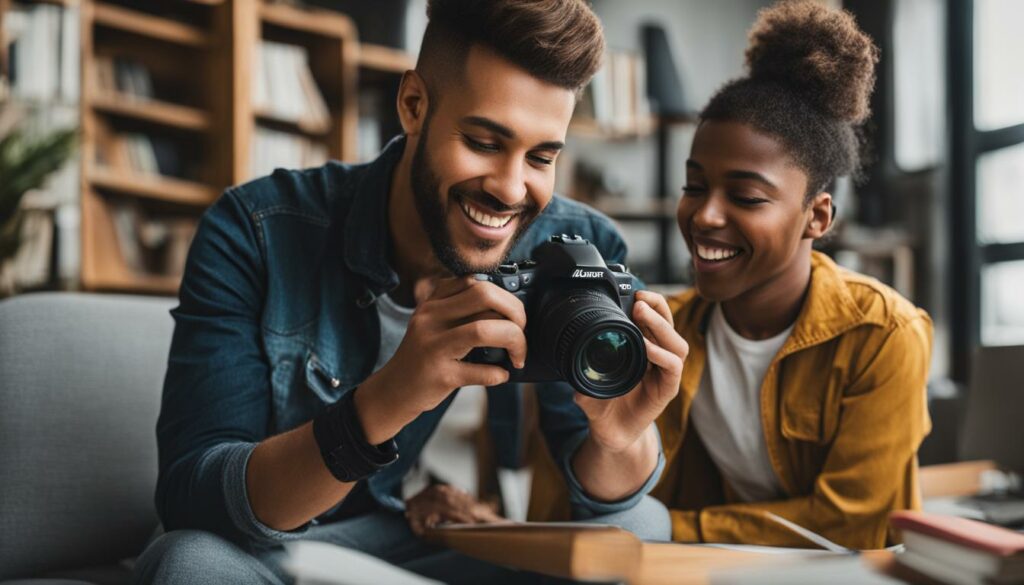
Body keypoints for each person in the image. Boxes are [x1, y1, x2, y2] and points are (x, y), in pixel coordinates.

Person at [133, 1, 687, 583]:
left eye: (541, 156)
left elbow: (600, 501)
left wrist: (621, 440)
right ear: (413, 105)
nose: (509, 188)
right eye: (483, 142)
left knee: (639, 534)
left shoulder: (583, 246)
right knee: (192, 563)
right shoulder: (256, 231)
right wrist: (392, 395)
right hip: (280, 548)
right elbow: (193, 498)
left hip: (433, 541)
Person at [647, 0, 933, 549]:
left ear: (817, 217)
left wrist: (669, 530)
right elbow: (627, 493)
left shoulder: (884, 335)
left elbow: (853, 524)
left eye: (747, 197)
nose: (704, 216)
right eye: (694, 186)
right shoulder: (671, 333)